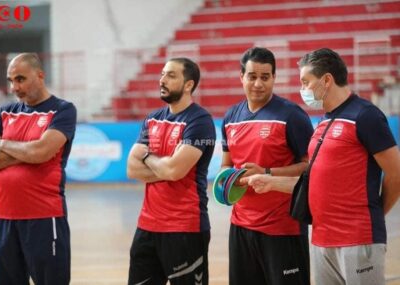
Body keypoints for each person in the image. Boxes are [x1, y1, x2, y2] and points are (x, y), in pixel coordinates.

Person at [243, 48, 400, 285]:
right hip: (321, 240)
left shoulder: (365, 115)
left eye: (306, 82)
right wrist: (271, 181)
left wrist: (375, 214)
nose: (302, 89)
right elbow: (314, 182)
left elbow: (396, 173)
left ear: (327, 80)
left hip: (357, 240)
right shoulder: (323, 122)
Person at [0, 53, 76, 285]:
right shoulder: (5, 112)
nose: (14, 87)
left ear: (40, 76)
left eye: (20, 79)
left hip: (44, 217)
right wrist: (28, 152)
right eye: (11, 80)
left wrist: (3, 145)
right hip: (3, 219)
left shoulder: (62, 110)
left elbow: (40, 152)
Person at [220, 47, 314, 285]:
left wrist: (267, 173)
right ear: (241, 77)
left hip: (283, 228)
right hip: (241, 227)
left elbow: (310, 167)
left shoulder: (292, 116)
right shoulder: (231, 117)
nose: (258, 84)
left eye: (265, 77)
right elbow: (226, 164)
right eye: (252, 76)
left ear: (274, 77)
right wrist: (226, 183)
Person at [126, 57, 216, 285]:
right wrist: (165, 168)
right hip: (146, 227)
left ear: (189, 85)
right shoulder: (152, 119)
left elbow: (175, 170)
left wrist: (147, 156)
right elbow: (132, 169)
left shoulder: (200, 121)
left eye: (171, 75)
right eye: (162, 74)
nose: (162, 80)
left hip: (185, 228)